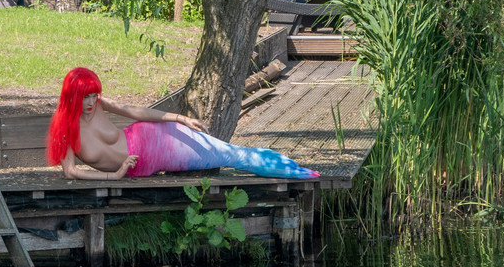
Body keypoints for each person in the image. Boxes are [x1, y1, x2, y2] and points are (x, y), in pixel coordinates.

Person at [45, 66, 319, 181]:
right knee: (228, 153)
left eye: (94, 95)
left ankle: (294, 170)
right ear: (72, 97)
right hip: (145, 162)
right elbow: (70, 172)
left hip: (156, 139)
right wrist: (114, 176)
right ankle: (291, 168)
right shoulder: (65, 129)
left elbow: (137, 113)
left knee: (230, 154)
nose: (92, 102)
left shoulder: (101, 105)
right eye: (85, 97)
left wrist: (178, 117)